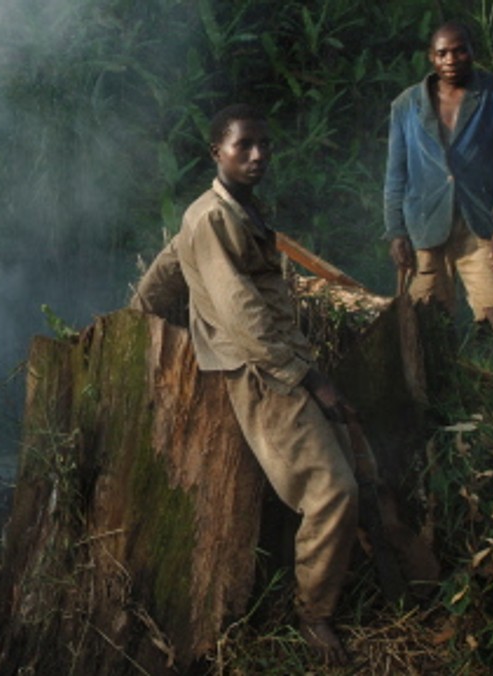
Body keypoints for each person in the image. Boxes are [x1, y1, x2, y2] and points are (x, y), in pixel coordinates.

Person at [132, 103, 358, 665]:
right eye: (243, 146)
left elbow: (167, 269)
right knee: (334, 491)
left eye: (263, 145)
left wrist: (135, 314)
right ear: (217, 153)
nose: (258, 156)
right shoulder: (212, 217)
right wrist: (312, 378)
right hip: (263, 376)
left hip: (278, 364)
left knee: (343, 477)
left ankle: (307, 588)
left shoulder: (232, 211)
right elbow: (239, 311)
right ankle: (314, 615)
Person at [384, 20, 493, 410]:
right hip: (424, 226)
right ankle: (438, 409)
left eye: (459, 50)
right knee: (429, 320)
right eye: (442, 53)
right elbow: (395, 172)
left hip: (479, 220)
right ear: (431, 58)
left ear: (472, 50)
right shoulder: (406, 104)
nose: (451, 59)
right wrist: (396, 231)